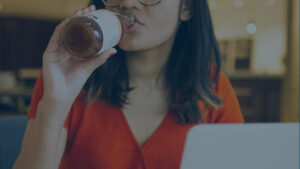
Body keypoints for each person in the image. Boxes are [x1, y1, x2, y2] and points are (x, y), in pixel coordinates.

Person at [13, 0, 244, 169]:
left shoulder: (212, 87)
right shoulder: (70, 75)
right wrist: (55, 103)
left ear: (186, 8)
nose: (127, 3)